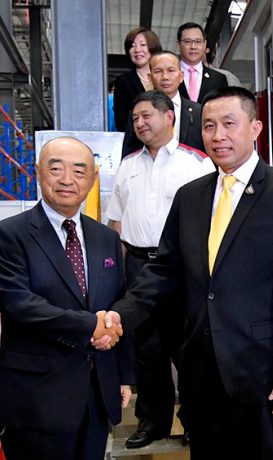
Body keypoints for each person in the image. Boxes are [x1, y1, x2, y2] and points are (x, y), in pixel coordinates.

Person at [104, 87, 273, 460]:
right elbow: (164, 269)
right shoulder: (191, 196)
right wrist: (120, 315)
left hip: (261, 372)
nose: (218, 135)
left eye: (228, 124)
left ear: (255, 128)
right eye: (208, 126)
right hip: (200, 370)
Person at [0, 137, 133, 460]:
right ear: (38, 172)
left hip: (95, 391)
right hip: (37, 396)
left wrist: (122, 376)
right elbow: (19, 304)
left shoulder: (106, 238)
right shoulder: (9, 234)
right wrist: (91, 326)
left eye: (79, 171)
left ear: (93, 179)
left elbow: (117, 303)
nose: (67, 180)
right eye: (56, 169)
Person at [105, 90, 214, 449]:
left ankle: (196, 420)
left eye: (146, 115)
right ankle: (152, 422)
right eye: (135, 118)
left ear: (169, 117)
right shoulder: (128, 165)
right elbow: (116, 221)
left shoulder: (196, 163)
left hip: (182, 266)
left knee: (189, 348)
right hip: (138, 265)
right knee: (147, 349)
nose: (140, 123)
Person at [122, 50, 205, 157]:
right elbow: (129, 152)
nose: (165, 77)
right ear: (150, 78)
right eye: (158, 71)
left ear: (181, 76)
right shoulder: (139, 113)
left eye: (171, 70)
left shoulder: (199, 111)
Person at [113, 27, 162, 136]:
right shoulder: (123, 81)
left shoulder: (165, 76)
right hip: (136, 139)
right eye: (132, 46)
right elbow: (121, 121)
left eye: (143, 45)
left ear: (153, 47)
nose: (137, 50)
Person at [177, 22, 228, 103]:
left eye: (198, 42)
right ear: (178, 44)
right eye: (187, 41)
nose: (193, 47)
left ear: (205, 44)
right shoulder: (170, 76)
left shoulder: (218, 78)